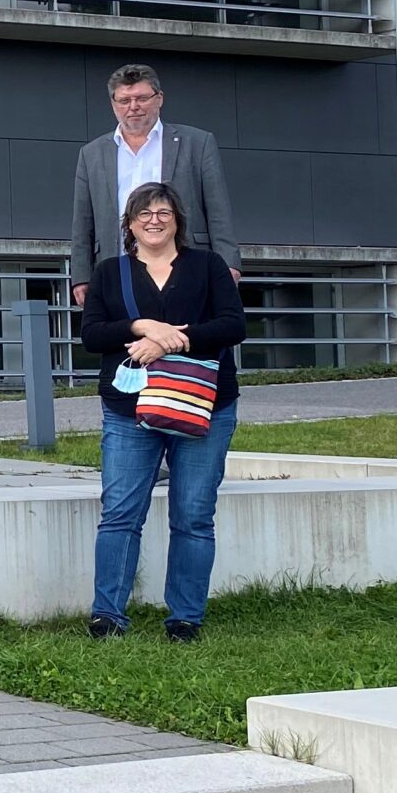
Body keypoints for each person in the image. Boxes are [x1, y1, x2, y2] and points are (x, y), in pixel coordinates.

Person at [81, 181, 247, 643]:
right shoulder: (110, 272)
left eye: (163, 213)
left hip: (203, 407)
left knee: (193, 514)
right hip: (128, 410)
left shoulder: (208, 266)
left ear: (178, 220)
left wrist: (173, 339)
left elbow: (234, 325)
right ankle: (107, 615)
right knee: (120, 512)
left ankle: (185, 619)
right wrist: (138, 325)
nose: (154, 221)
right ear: (129, 224)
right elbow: (92, 334)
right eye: (144, 214)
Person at [69, 63, 238, 308]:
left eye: (141, 98)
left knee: (186, 339)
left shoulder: (197, 143)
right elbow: (82, 221)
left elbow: (218, 209)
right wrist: (81, 276)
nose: (133, 107)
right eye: (124, 100)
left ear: (159, 99)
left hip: (186, 264)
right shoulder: (92, 153)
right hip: (118, 267)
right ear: (113, 104)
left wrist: (228, 263)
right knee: (127, 341)